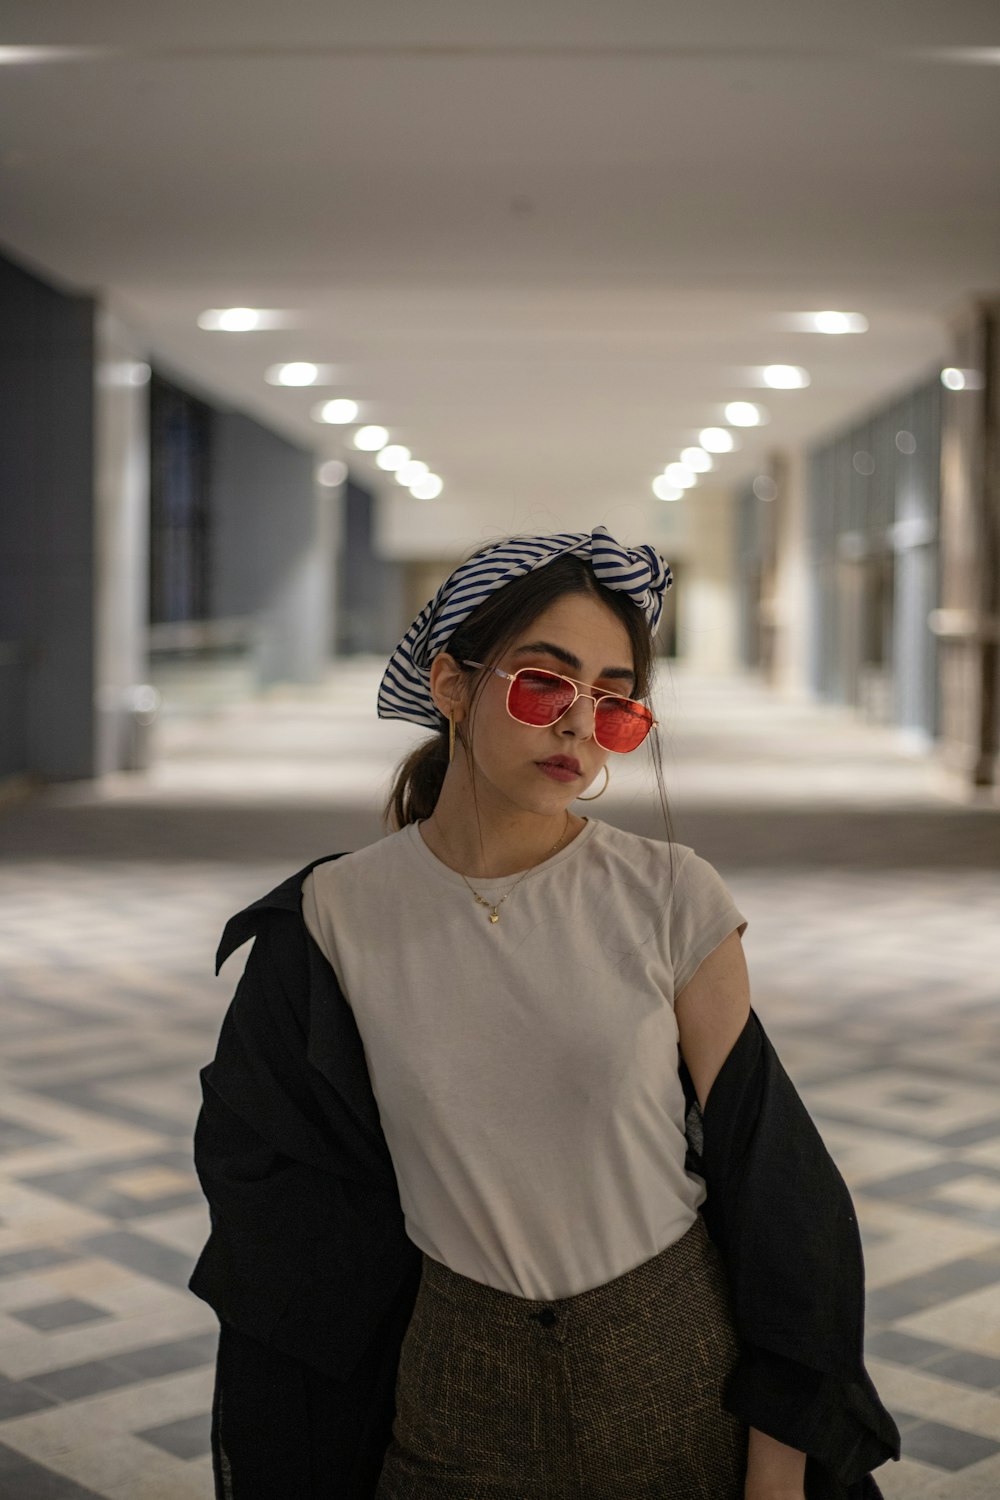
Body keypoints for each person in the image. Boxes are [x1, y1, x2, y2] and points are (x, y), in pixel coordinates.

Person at [190, 526, 899, 1500]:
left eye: (612, 704)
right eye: (542, 684)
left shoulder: (669, 896)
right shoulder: (335, 915)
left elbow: (774, 1192)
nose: (576, 725)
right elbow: (275, 1194)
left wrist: (776, 1472)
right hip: (454, 1381)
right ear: (450, 685)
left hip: (669, 1363)